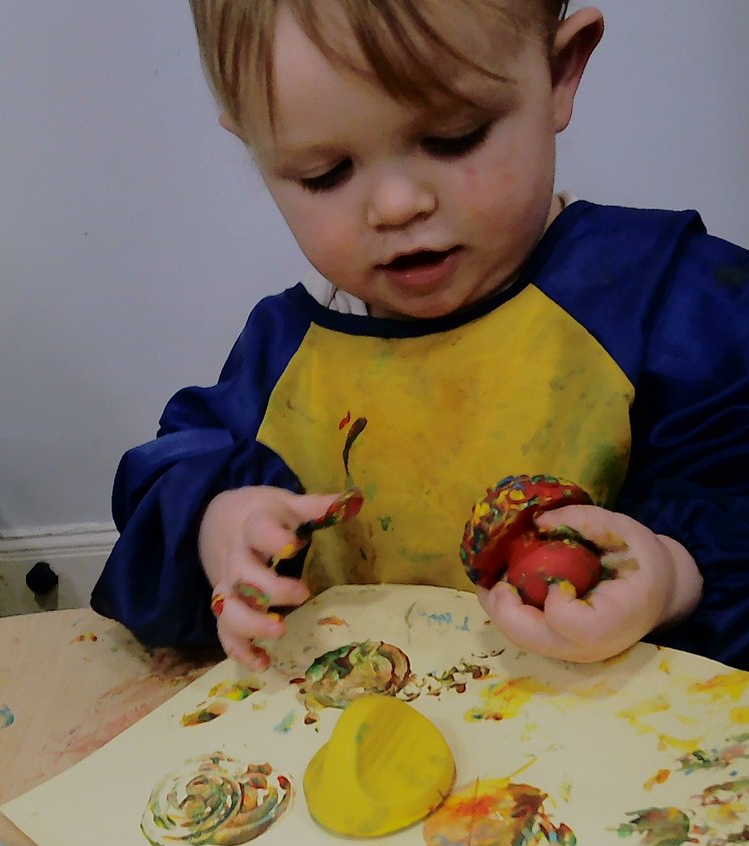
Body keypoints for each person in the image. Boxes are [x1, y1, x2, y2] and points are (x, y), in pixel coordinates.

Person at [91, 0, 749, 672]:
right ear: (257, 149)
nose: (397, 204)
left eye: (455, 136)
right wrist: (220, 527)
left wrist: (669, 576)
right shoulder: (284, 359)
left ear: (558, 74)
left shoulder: (666, 301)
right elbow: (165, 495)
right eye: (325, 173)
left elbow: (732, 498)